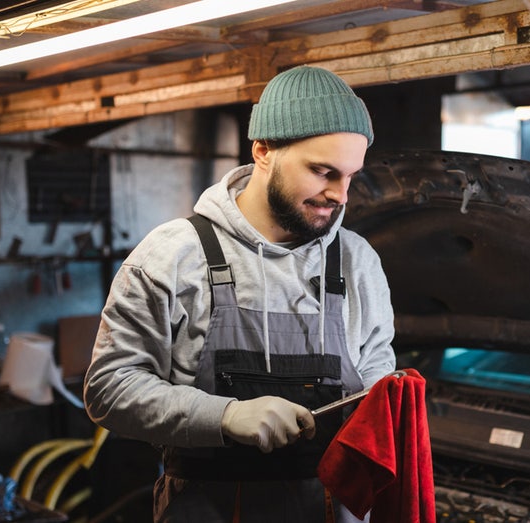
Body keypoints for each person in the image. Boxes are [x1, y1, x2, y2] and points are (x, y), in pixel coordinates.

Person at [83, 65, 397, 523]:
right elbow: (109, 388)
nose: (339, 194)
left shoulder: (357, 261)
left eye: (350, 175)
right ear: (263, 149)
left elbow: (375, 374)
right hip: (205, 506)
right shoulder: (172, 255)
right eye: (322, 171)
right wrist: (225, 416)